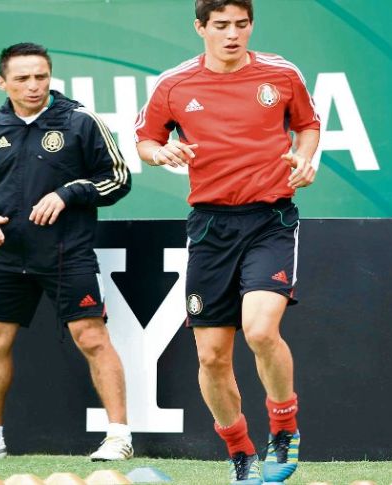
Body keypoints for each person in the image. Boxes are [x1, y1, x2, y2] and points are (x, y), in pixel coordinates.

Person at [134, 1, 320, 483]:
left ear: (251, 25)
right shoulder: (174, 84)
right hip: (210, 228)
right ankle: (241, 453)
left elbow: (307, 125)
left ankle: (284, 428)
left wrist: (304, 157)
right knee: (212, 356)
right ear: (201, 28)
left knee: (259, 331)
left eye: (241, 24)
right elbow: (146, 141)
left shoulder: (281, 74)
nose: (232, 35)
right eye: (220, 26)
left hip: (270, 219)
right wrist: (162, 152)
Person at [0, 42, 133, 463]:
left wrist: (69, 193)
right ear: (2, 82)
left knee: (92, 336)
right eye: (23, 78)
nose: (33, 85)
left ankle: (118, 435)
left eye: (41, 76)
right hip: (8, 255)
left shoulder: (81, 121)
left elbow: (118, 179)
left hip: (68, 253)